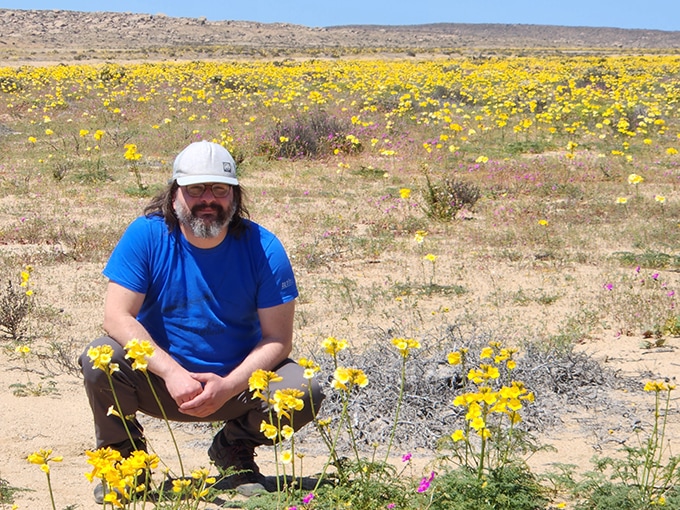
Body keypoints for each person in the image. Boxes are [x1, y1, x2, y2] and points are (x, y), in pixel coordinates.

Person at [79, 140, 324, 500]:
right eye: (196, 189)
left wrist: (227, 385)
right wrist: (172, 373)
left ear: (235, 195)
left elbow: (277, 339)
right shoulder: (146, 236)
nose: (208, 199)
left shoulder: (264, 247)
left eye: (220, 189)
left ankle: (234, 449)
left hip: (236, 387)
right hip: (161, 383)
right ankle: (124, 460)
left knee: (305, 387)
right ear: (176, 192)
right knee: (100, 358)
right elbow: (116, 317)